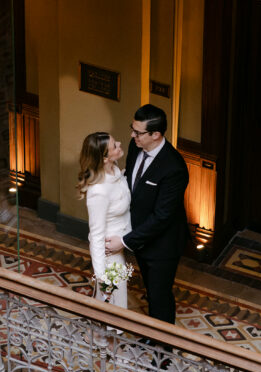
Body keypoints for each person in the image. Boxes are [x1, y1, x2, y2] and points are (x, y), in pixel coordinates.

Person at [105, 104, 189, 325]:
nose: (132, 135)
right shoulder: (135, 147)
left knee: (159, 295)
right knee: (150, 289)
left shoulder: (174, 168)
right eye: (132, 129)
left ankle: (164, 350)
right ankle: (152, 332)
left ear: (156, 134)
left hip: (163, 245)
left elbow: (162, 217)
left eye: (138, 132)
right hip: (140, 236)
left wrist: (124, 241)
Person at [77, 132, 132, 308]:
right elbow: (97, 235)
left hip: (121, 247)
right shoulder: (98, 192)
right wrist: (102, 278)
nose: (120, 144)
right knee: (112, 306)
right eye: (115, 145)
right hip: (111, 257)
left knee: (117, 303)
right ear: (105, 158)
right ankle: (103, 336)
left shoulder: (115, 170)